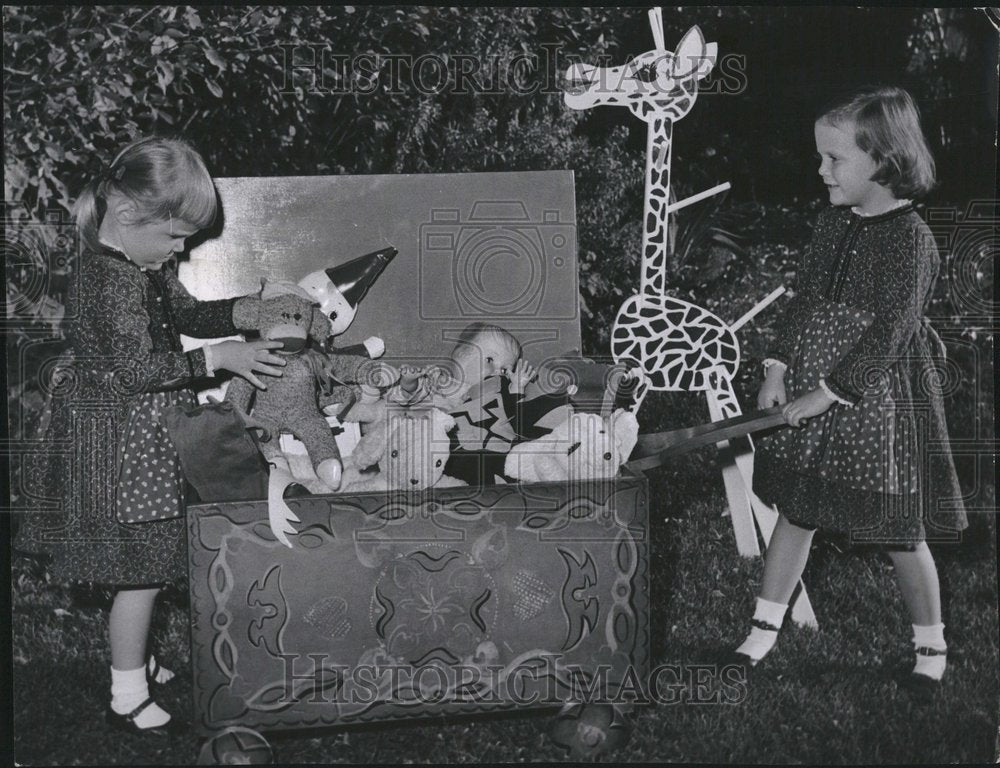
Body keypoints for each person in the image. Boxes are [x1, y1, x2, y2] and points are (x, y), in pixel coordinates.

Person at [14, 136, 300, 734]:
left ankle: (138, 659)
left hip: (144, 432)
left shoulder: (142, 265)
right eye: (174, 237)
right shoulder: (106, 279)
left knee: (150, 554)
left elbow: (190, 316)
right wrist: (215, 359)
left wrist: (252, 308)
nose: (179, 250)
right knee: (138, 571)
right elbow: (134, 369)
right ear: (125, 213)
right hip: (120, 440)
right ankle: (126, 691)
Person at [730, 86, 967, 694]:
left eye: (834, 159)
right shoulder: (832, 223)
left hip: (875, 400)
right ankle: (763, 628)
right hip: (813, 379)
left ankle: (930, 646)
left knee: (897, 528)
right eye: (820, 157)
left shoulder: (911, 240)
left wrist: (829, 393)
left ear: (884, 161)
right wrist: (778, 368)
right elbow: (802, 298)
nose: (821, 170)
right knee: (798, 510)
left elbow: (891, 333)